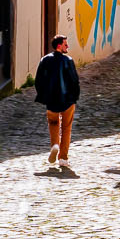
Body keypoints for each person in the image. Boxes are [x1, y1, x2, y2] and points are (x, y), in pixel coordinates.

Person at [33, 34, 80, 170]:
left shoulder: (45, 60)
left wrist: (43, 95)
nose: (67, 46)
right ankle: (63, 158)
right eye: (66, 44)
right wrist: (75, 97)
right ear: (59, 46)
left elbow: (38, 81)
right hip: (67, 100)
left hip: (51, 100)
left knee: (53, 124)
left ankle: (55, 144)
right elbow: (74, 80)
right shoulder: (68, 61)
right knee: (66, 128)